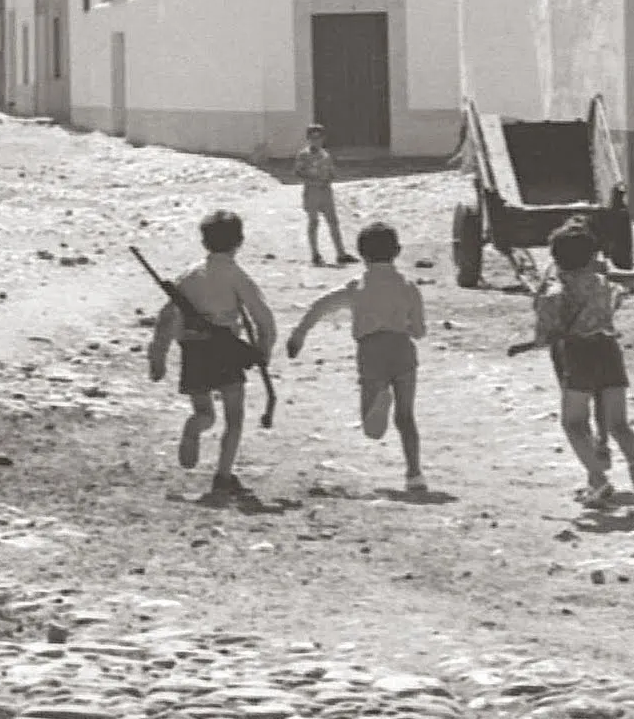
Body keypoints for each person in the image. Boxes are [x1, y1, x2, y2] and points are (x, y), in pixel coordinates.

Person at [286, 221, 429, 491]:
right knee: (406, 417)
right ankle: (415, 474)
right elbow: (420, 331)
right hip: (402, 350)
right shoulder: (408, 287)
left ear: (362, 254)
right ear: (398, 251)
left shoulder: (357, 287)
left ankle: (380, 399)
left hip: (371, 351)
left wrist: (299, 333)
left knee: (371, 429)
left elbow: (321, 305)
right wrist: (406, 325)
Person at [147, 210, 278, 497]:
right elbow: (263, 318)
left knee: (204, 411)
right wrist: (264, 350)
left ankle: (195, 427)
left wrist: (158, 355)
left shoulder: (189, 275)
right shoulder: (236, 276)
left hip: (193, 349)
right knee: (234, 417)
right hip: (225, 349)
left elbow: (167, 317)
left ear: (204, 242)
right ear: (240, 241)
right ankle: (223, 475)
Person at [527, 220, 634, 508]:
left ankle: (598, 479)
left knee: (573, 423)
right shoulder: (603, 283)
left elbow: (544, 335)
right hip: (608, 349)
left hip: (578, 353)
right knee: (619, 424)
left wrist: (540, 338)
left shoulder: (555, 291)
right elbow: (615, 301)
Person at [294, 124, 358, 267]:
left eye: (319, 137)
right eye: (313, 137)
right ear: (308, 138)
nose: (316, 141)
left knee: (333, 222)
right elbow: (298, 173)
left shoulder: (325, 155)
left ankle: (341, 254)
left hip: (325, 191)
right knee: (313, 222)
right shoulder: (303, 155)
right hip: (312, 191)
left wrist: (329, 179)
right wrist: (313, 181)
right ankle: (315, 254)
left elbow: (331, 172)